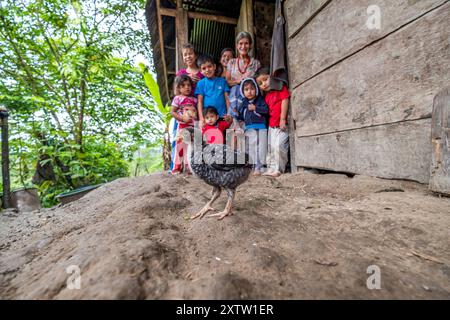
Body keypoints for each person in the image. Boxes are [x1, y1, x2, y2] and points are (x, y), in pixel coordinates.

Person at [255, 67, 290, 177]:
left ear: (272, 76)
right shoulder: (267, 96)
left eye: (265, 79)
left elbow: (285, 100)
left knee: (279, 146)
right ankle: (271, 168)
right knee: (270, 147)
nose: (264, 84)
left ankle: (279, 168)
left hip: (281, 125)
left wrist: (282, 119)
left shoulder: (280, 88)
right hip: (271, 126)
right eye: (260, 83)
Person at [237, 78, 268, 176]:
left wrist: (256, 108)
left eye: (252, 89)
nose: (249, 92)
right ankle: (252, 166)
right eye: (246, 89)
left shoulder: (260, 100)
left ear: (256, 89)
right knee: (250, 147)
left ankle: (259, 166)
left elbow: (266, 110)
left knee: (260, 147)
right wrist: (237, 115)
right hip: (249, 128)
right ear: (243, 92)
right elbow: (241, 115)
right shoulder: (244, 103)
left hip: (260, 127)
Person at [226, 32, 261, 117]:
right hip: (235, 101)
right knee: (234, 127)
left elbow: (259, 83)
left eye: (246, 43)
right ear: (237, 45)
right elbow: (227, 82)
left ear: (250, 45)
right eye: (240, 43)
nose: (243, 46)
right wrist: (240, 81)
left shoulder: (256, 63)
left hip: (251, 102)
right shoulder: (232, 62)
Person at [170, 74, 198, 175]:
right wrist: (182, 118)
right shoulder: (177, 98)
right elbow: (172, 112)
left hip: (192, 127)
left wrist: (194, 116)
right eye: (184, 85)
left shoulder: (194, 100)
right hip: (182, 126)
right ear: (179, 88)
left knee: (190, 147)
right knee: (180, 146)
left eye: (189, 85)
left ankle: (188, 167)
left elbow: (197, 113)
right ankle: (177, 167)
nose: (187, 87)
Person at [195, 54, 230, 128]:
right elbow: (200, 101)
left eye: (209, 66)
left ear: (214, 66)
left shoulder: (222, 81)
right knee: (209, 139)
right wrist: (201, 118)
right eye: (204, 68)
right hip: (208, 119)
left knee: (223, 138)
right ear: (200, 71)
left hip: (222, 117)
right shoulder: (201, 83)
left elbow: (227, 99)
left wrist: (229, 114)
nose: (207, 70)